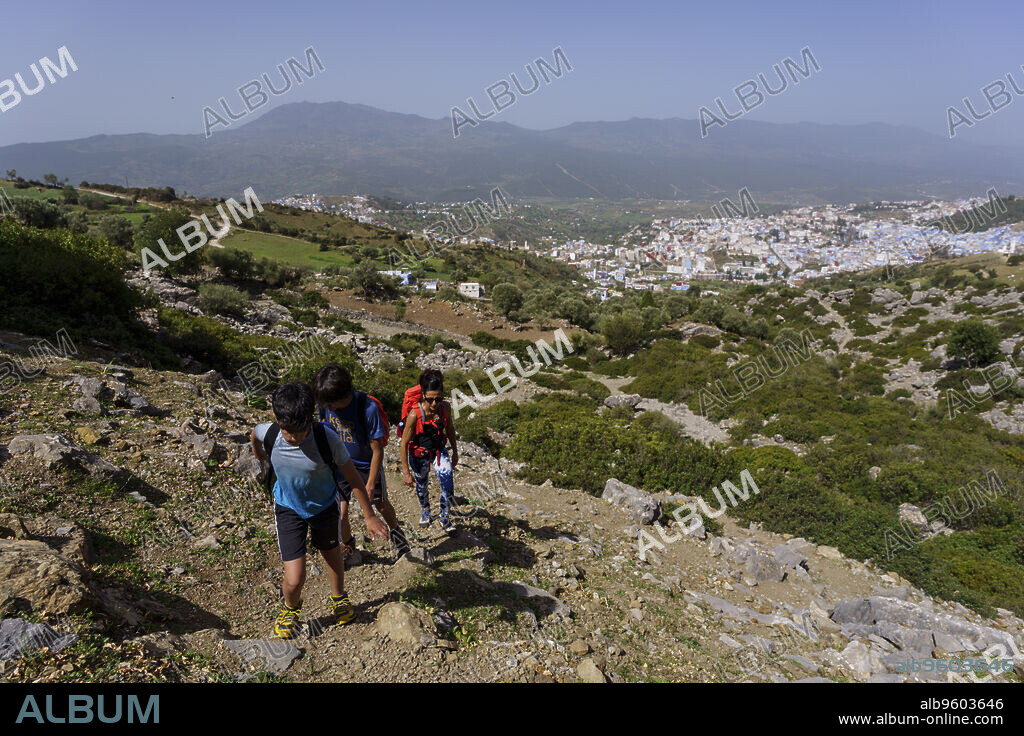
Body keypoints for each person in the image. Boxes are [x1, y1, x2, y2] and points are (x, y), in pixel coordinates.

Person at [251, 382, 389, 639]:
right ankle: (290, 608)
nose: (294, 437)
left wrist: (369, 515)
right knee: (294, 579)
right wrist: (259, 453)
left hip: (325, 507)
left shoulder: (327, 439)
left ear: (310, 418)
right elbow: (255, 433)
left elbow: (354, 479)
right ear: (276, 418)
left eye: (301, 430)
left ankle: (339, 597)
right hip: (288, 508)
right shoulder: (270, 433)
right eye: (288, 431)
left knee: (331, 553)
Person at [313, 364, 411, 563]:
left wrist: (370, 482)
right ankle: (349, 548)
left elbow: (377, 450)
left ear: (344, 396)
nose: (328, 409)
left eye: (331, 405)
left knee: (381, 505)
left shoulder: (367, 409)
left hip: (367, 467)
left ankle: (400, 540)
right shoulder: (325, 404)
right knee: (341, 513)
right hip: (340, 466)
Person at [400, 369, 459, 536]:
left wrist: (455, 451)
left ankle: (444, 517)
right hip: (419, 454)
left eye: (438, 398)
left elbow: (450, 429)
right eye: (430, 399)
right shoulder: (415, 414)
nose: (434, 403)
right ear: (423, 395)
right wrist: (405, 472)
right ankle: (426, 510)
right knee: (422, 485)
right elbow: (403, 444)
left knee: (448, 484)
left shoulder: (444, 408)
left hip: (439, 450)